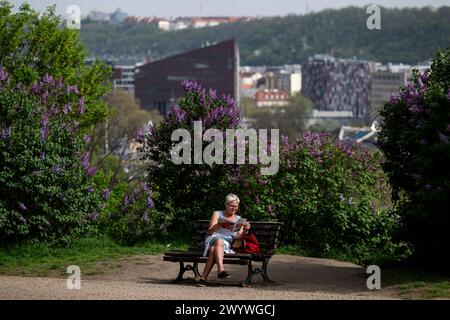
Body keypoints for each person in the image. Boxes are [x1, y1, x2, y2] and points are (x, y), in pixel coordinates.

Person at [197, 194, 250, 287]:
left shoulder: (239, 219)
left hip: (227, 244)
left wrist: (245, 230)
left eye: (236, 206)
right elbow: (210, 230)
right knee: (219, 240)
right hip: (213, 238)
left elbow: (238, 238)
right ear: (226, 205)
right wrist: (219, 225)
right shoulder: (217, 214)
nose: (234, 208)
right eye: (232, 206)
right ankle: (221, 269)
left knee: (213, 250)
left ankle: (203, 279)